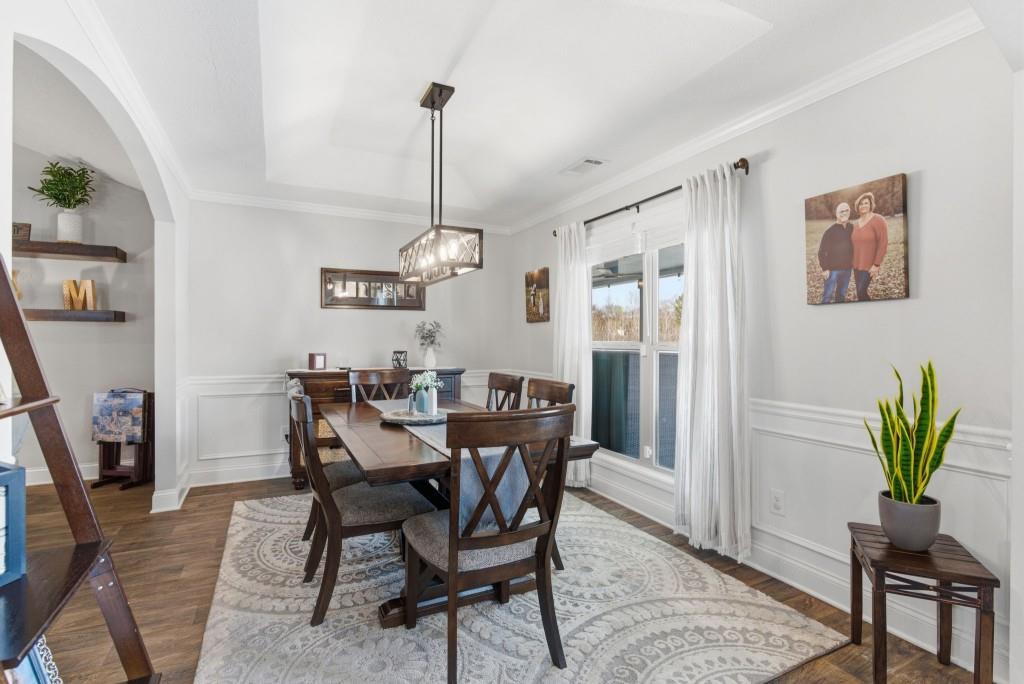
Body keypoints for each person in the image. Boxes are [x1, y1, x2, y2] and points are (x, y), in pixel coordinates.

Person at [851, 191, 888, 301]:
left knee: (862, 292)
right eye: (861, 204)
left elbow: (883, 243)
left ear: (871, 204)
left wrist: (876, 265)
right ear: (858, 206)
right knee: (860, 293)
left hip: (870, 266)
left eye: (866, 203)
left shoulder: (879, 220)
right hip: (856, 265)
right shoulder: (855, 224)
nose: (863, 206)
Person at [817, 202, 853, 304]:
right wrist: (825, 269)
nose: (844, 213)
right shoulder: (830, 231)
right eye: (841, 211)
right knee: (827, 296)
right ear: (837, 214)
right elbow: (821, 251)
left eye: (846, 210)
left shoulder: (851, 228)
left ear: (849, 212)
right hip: (832, 270)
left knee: (841, 295)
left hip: (847, 270)